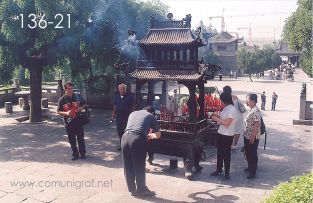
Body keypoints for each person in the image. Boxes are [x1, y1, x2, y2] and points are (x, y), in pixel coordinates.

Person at [121, 106, 161, 197]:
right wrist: (150, 135)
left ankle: (132, 189)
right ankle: (142, 190)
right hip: (137, 139)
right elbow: (158, 134)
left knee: (128, 165)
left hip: (125, 137)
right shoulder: (151, 116)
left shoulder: (133, 113)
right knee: (139, 165)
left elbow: (133, 126)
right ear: (151, 112)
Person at [57, 81, 87, 161]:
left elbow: (84, 104)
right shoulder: (62, 100)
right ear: (65, 90)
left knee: (80, 138)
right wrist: (66, 113)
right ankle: (75, 154)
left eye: (71, 88)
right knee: (71, 139)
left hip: (78, 121)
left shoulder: (78, 96)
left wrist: (80, 108)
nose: (70, 90)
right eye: (68, 88)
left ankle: (83, 153)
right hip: (69, 122)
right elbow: (58, 111)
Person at [210, 92, 236, 179]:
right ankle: (219, 169)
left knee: (226, 154)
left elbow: (227, 123)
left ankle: (227, 172)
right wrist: (216, 116)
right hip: (221, 133)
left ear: (224, 100)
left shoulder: (232, 110)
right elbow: (222, 119)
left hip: (227, 135)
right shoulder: (225, 109)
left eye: (221, 101)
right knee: (219, 153)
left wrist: (215, 118)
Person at [111, 84, 135, 151]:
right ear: (118, 90)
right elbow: (115, 107)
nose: (122, 90)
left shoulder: (130, 97)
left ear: (125, 89)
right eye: (120, 89)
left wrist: (132, 117)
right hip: (119, 117)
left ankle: (128, 146)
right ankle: (122, 145)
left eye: (123, 89)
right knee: (120, 132)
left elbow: (133, 108)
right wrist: (112, 116)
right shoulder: (116, 97)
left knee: (127, 132)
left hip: (127, 118)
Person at [243, 94, 262, 179]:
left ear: (253, 101)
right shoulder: (252, 110)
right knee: (248, 152)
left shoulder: (255, 111)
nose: (247, 102)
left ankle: (252, 172)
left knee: (252, 154)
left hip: (252, 136)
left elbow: (257, 124)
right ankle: (250, 167)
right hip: (247, 135)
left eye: (248, 100)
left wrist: (252, 137)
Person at [223, 86, 245, 150]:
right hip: (238, 115)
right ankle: (234, 145)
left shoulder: (223, 98)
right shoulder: (235, 97)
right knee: (237, 131)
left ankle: (229, 144)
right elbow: (240, 106)